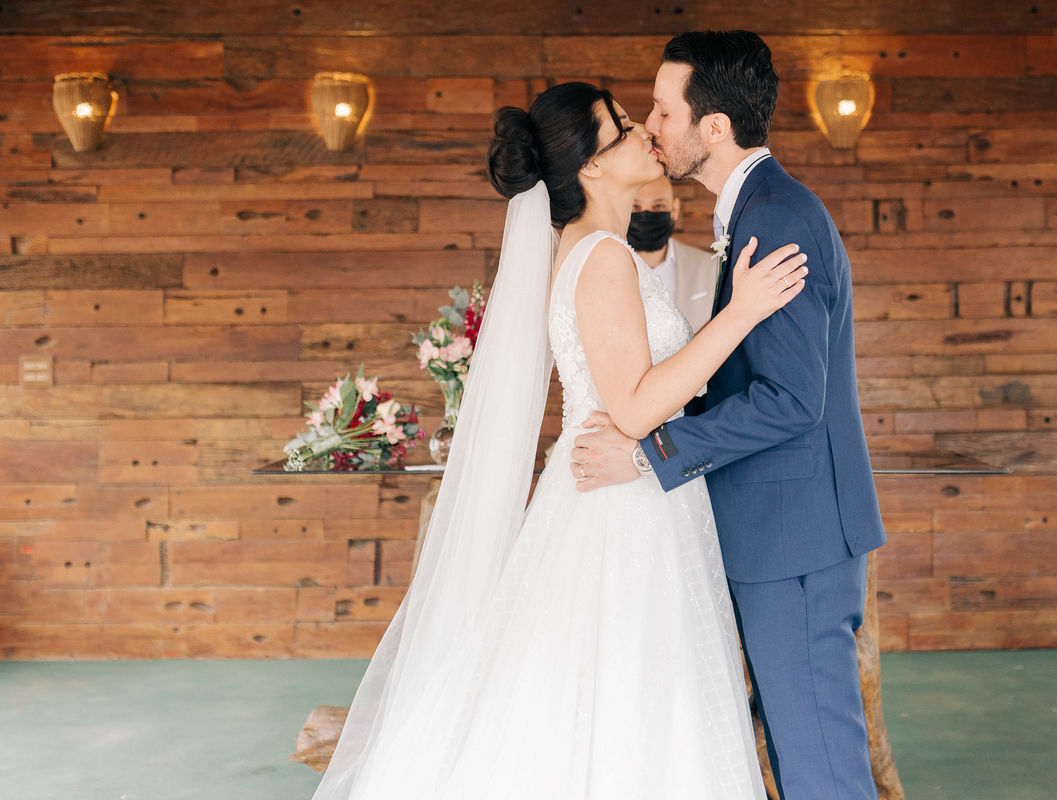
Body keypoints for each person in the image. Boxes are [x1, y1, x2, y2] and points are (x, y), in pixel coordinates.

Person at [310, 80, 807, 800]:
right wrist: (742, 313)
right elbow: (633, 406)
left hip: (626, 489)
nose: (646, 133)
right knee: (631, 696)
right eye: (624, 127)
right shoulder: (601, 255)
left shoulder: (594, 249)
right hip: (624, 509)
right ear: (592, 165)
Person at [571, 31, 889, 800]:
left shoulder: (777, 217)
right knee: (797, 759)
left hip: (795, 538)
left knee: (821, 771)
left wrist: (647, 452)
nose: (651, 126)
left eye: (663, 110)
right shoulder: (753, 210)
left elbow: (791, 398)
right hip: (773, 532)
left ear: (713, 128)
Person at [627, 175, 719, 332]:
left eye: (658, 206)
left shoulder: (711, 267)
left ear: (674, 209)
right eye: (635, 207)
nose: (646, 215)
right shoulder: (603, 268)